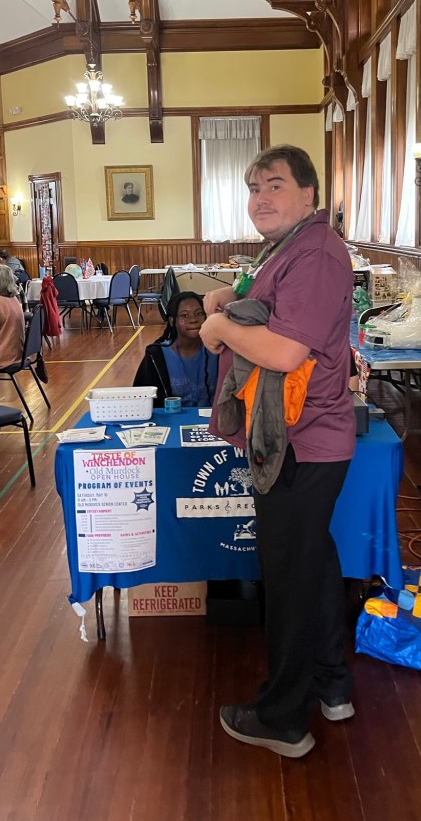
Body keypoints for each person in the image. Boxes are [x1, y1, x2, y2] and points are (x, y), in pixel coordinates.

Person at [200, 145, 355, 759]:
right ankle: (332, 684)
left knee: (289, 577)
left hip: (301, 442)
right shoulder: (289, 247)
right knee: (313, 562)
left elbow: (287, 352)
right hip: (300, 438)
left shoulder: (315, 253)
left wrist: (220, 329)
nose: (260, 198)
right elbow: (269, 305)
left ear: (308, 195)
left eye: (275, 185)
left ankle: (283, 718)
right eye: (253, 188)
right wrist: (229, 298)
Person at [133, 291, 219, 407]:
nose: (193, 320)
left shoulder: (218, 351)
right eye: (184, 315)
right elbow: (140, 400)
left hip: (212, 417)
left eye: (199, 313)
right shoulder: (156, 356)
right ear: (172, 321)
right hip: (170, 417)